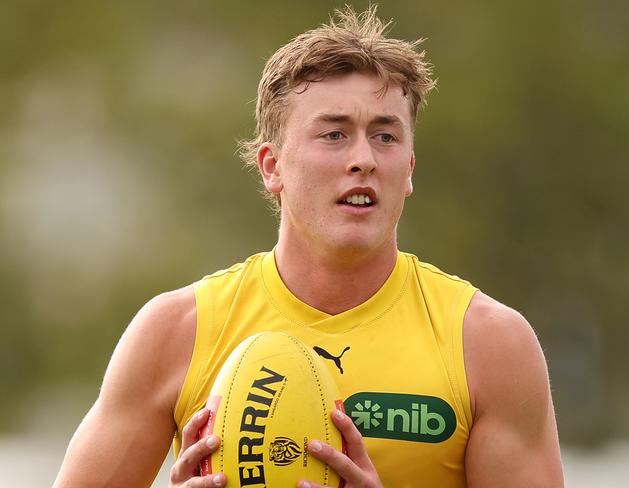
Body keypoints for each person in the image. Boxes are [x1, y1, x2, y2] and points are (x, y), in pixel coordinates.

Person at [53, 5, 563, 488]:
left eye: (385, 137)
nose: (363, 158)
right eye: (334, 135)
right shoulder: (175, 333)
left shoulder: (489, 344)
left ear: (408, 169)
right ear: (272, 166)